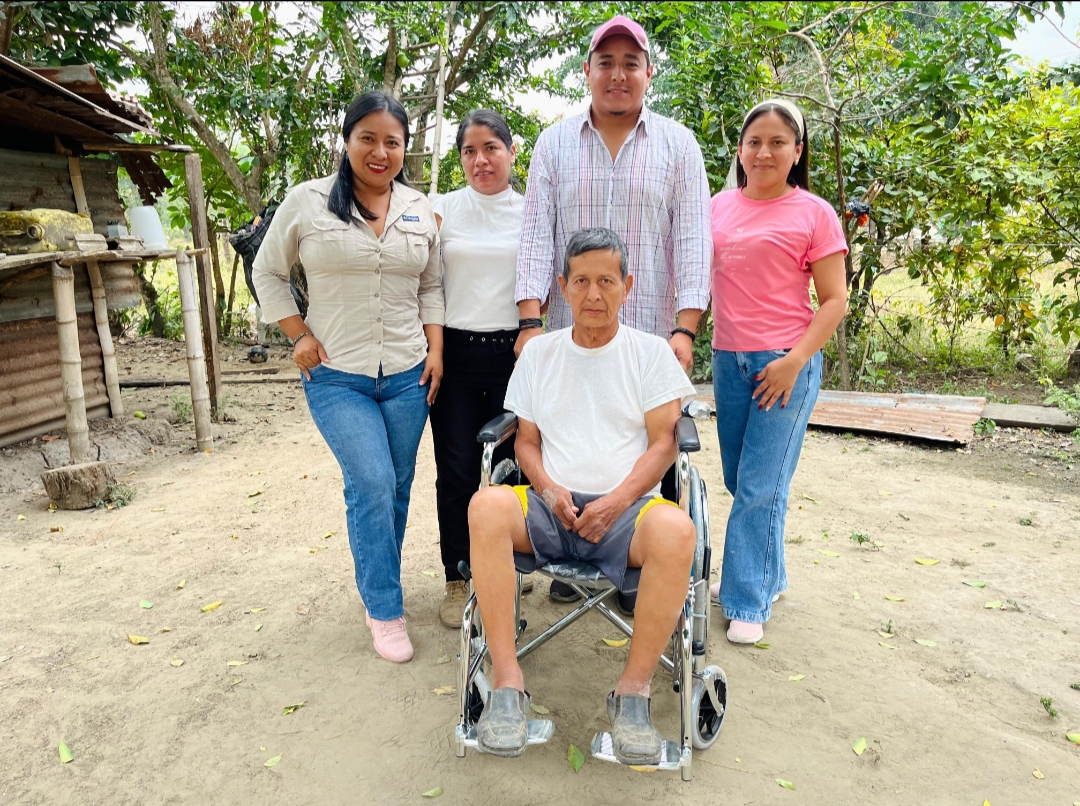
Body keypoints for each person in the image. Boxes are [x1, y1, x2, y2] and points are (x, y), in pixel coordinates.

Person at [467, 227, 698, 764]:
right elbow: (526, 443)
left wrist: (616, 502)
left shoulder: (650, 354)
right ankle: (507, 685)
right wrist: (548, 490)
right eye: (582, 282)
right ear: (562, 287)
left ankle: (632, 695)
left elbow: (666, 442)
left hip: (627, 510)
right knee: (485, 506)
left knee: (677, 530)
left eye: (607, 281)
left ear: (627, 286)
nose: (594, 294)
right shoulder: (540, 354)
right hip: (550, 505)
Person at [514, 14, 712, 608]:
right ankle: (569, 550)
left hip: (651, 335)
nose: (618, 75)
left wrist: (685, 328)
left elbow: (693, 240)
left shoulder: (678, 145)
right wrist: (530, 322)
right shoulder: (554, 144)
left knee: (651, 444)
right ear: (588, 71)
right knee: (568, 434)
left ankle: (636, 561)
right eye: (607, 63)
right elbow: (535, 236)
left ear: (648, 72)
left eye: (631, 63)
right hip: (571, 335)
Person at [252, 91, 444, 663]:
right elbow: (267, 271)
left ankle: (379, 582)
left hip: (408, 373)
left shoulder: (418, 207)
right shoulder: (308, 201)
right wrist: (298, 335)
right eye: (368, 139)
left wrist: (436, 350)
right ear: (347, 141)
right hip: (337, 376)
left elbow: (431, 285)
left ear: (404, 148)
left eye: (392, 142)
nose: (380, 152)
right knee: (373, 482)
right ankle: (384, 608)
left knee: (398, 486)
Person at [708, 99, 848, 644]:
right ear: (740, 151)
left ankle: (747, 598)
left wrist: (794, 362)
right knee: (740, 479)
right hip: (728, 360)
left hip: (785, 362)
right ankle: (768, 572)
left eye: (777, 143)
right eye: (754, 142)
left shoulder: (814, 212)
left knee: (759, 487)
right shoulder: (717, 207)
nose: (763, 152)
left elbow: (834, 300)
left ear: (797, 151)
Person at [429, 110, 530, 629]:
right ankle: (458, 575)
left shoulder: (532, 210)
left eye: (491, 148)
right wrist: (434, 349)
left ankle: (508, 564)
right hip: (455, 354)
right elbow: (428, 284)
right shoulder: (442, 209)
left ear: (511, 152)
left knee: (514, 468)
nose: (480, 160)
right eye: (469, 151)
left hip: (517, 353)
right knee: (457, 470)